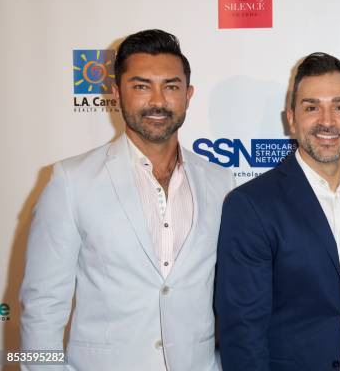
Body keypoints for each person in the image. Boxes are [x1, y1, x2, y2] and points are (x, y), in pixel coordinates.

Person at [20, 29, 233, 371]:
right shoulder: (71, 181)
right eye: (141, 86)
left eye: (171, 86)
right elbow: (42, 308)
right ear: (117, 94)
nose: (158, 101)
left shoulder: (220, 182)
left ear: (188, 95)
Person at [216, 52, 340, 370]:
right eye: (311, 107)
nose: (327, 121)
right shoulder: (251, 204)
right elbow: (242, 330)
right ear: (291, 119)